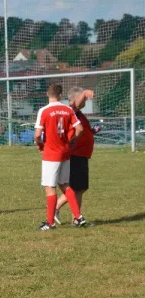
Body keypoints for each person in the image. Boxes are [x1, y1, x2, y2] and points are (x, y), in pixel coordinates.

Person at [34, 84, 90, 231]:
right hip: (65, 153)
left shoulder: (44, 110)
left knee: (50, 188)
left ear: (48, 94)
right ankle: (78, 217)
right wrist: (72, 141)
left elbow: (38, 135)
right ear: (60, 96)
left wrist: (40, 146)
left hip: (51, 154)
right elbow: (80, 129)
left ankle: (50, 223)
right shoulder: (68, 110)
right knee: (65, 185)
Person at [55, 87, 98, 225]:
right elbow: (77, 104)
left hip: (81, 155)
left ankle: (74, 217)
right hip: (75, 154)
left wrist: (91, 132)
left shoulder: (79, 115)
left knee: (80, 187)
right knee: (75, 187)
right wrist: (85, 93)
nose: (85, 102)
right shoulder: (72, 110)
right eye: (82, 99)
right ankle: (63, 212)